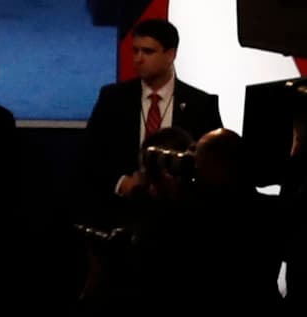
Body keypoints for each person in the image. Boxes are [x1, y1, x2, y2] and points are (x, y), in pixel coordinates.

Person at [85, 18, 220, 199]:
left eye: (147, 52)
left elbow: (214, 165)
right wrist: (122, 183)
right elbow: (89, 156)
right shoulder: (113, 99)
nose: (138, 59)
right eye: (135, 51)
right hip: (123, 209)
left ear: (170, 55)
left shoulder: (201, 104)